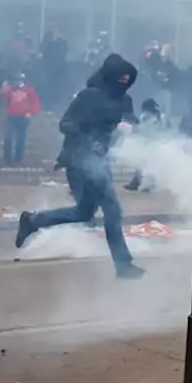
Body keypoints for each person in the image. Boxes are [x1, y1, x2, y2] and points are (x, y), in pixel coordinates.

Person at [15, 54, 145, 280]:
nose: (123, 84)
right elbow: (65, 123)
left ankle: (33, 221)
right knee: (112, 209)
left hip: (99, 159)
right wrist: (84, 137)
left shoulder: (124, 99)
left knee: (84, 212)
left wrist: (130, 125)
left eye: (128, 80)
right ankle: (123, 265)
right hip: (80, 159)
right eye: (120, 79)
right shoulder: (88, 96)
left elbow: (131, 119)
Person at [123, 99, 168, 192]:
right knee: (149, 165)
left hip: (148, 143)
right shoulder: (163, 117)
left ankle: (139, 184)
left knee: (142, 165)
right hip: (157, 144)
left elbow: (141, 130)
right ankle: (141, 183)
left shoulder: (145, 116)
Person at [0, 73, 43, 165]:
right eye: (15, 80)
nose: (16, 82)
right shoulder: (10, 90)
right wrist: (5, 87)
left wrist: (30, 112)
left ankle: (18, 158)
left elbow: (36, 104)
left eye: (18, 80)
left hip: (23, 117)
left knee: (20, 138)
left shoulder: (29, 90)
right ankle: (7, 159)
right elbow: (2, 96)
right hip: (11, 116)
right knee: (8, 137)